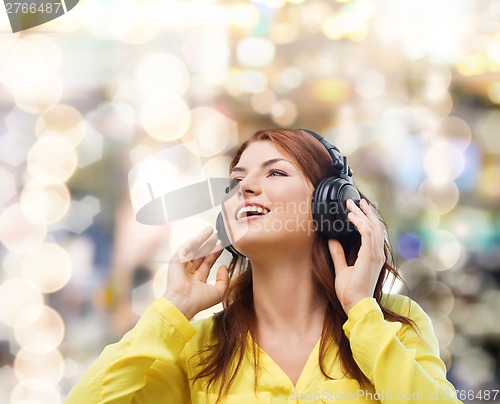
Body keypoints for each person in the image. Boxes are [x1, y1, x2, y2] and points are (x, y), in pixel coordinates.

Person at [66, 129, 462, 403]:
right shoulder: (198, 348)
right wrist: (172, 309)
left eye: (275, 172)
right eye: (237, 180)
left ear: (330, 207)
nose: (246, 187)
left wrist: (361, 310)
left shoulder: (395, 326)